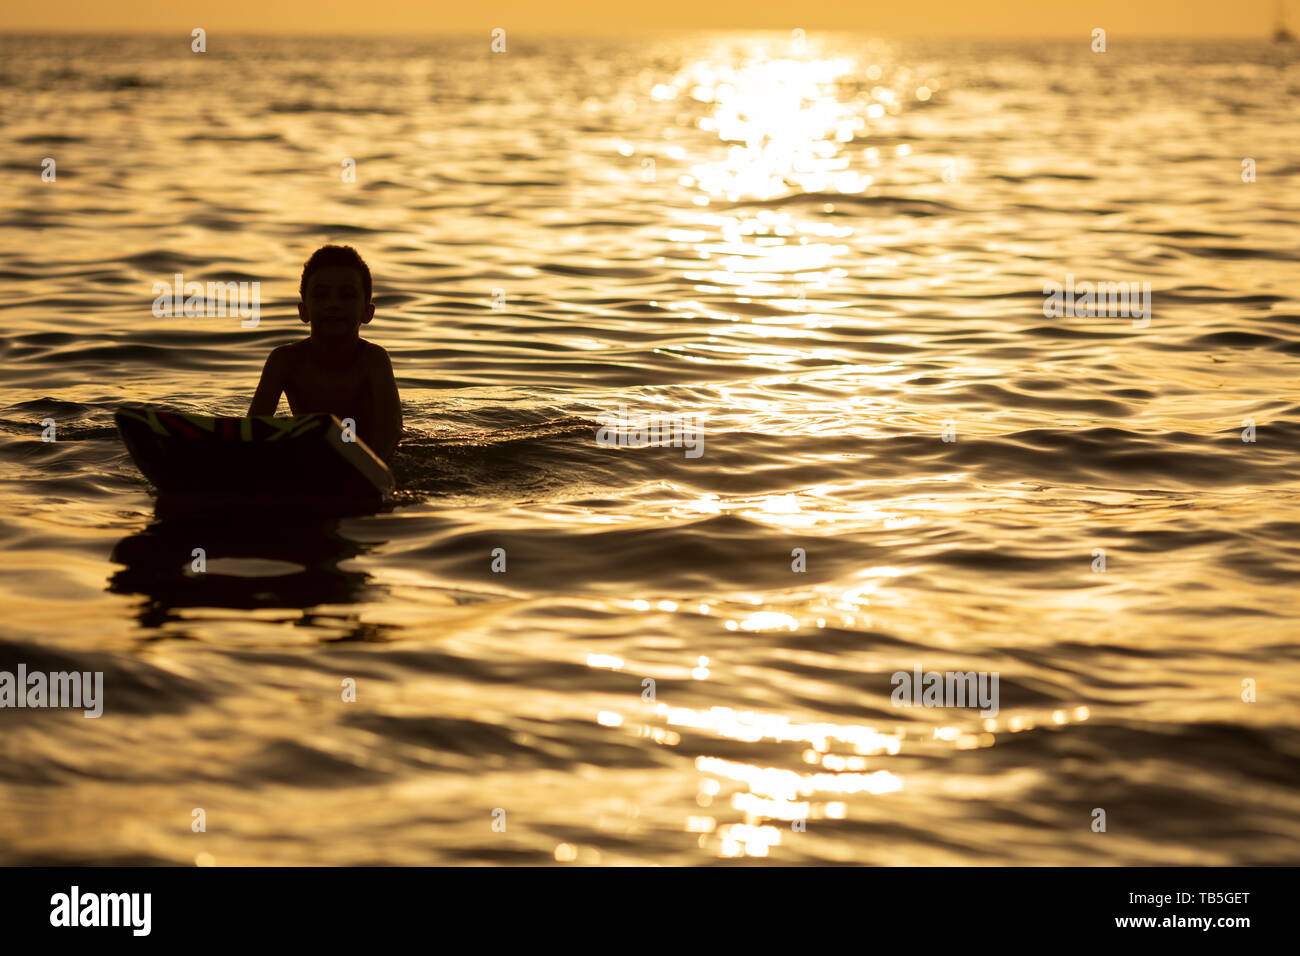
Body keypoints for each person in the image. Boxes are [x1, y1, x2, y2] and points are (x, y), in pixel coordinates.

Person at [248, 245, 402, 464]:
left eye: (347, 296)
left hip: (370, 458)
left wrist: (370, 469)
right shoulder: (284, 361)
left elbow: (392, 428)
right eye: (321, 295)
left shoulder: (373, 360)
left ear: (367, 313)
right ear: (304, 311)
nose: (333, 305)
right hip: (311, 456)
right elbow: (254, 427)